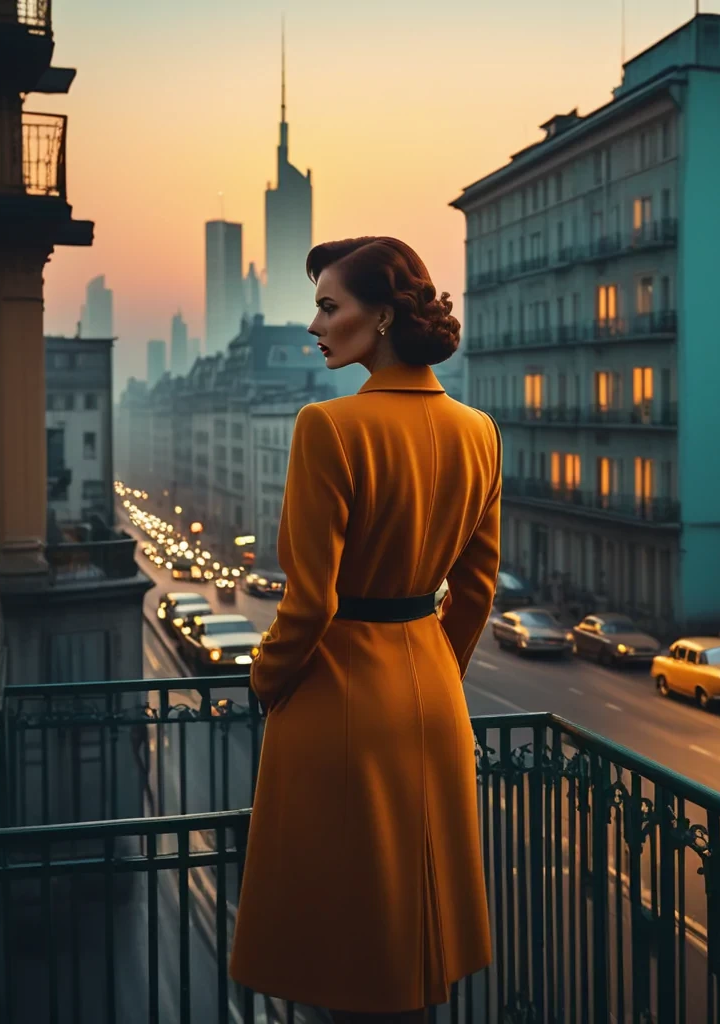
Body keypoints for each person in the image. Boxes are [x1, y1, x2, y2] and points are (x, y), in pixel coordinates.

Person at [228, 237, 501, 1023]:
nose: (315, 326)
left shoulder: (329, 426)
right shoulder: (479, 430)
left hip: (341, 698)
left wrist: (266, 678)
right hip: (432, 699)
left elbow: (309, 603)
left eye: (328, 306)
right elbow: (476, 591)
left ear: (380, 317)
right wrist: (434, 669)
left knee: (346, 956)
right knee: (414, 941)